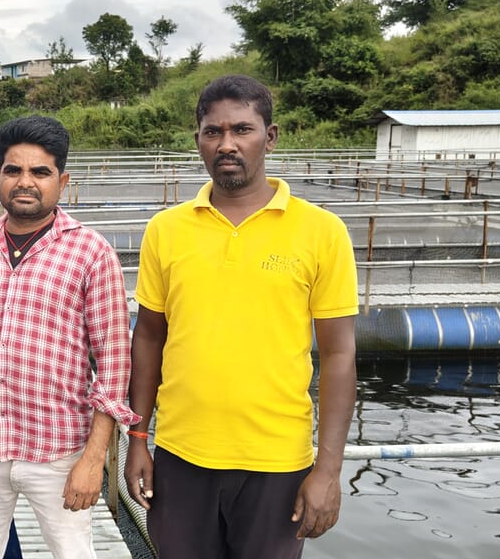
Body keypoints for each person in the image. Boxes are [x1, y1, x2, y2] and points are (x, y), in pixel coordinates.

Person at [123, 75, 358, 559]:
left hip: (276, 462)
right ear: (198, 141)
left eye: (242, 130)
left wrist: (328, 470)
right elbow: (148, 338)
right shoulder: (165, 231)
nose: (226, 144)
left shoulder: (321, 232)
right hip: (181, 456)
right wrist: (138, 439)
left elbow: (338, 354)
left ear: (269, 137)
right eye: (213, 132)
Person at [0, 115, 139, 559]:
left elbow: (114, 366)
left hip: (60, 450)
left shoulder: (90, 252)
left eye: (40, 172)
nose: (25, 182)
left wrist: (94, 459)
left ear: (63, 180)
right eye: (13, 170)